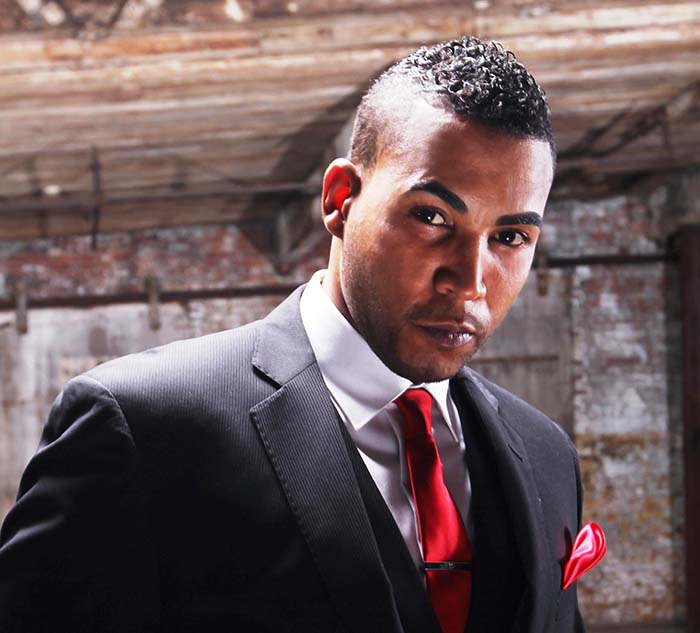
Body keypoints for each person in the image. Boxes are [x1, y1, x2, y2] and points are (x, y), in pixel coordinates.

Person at [0, 36, 585, 632]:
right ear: (340, 200)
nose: (470, 282)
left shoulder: (546, 454)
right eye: (432, 217)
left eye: (510, 238)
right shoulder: (141, 428)